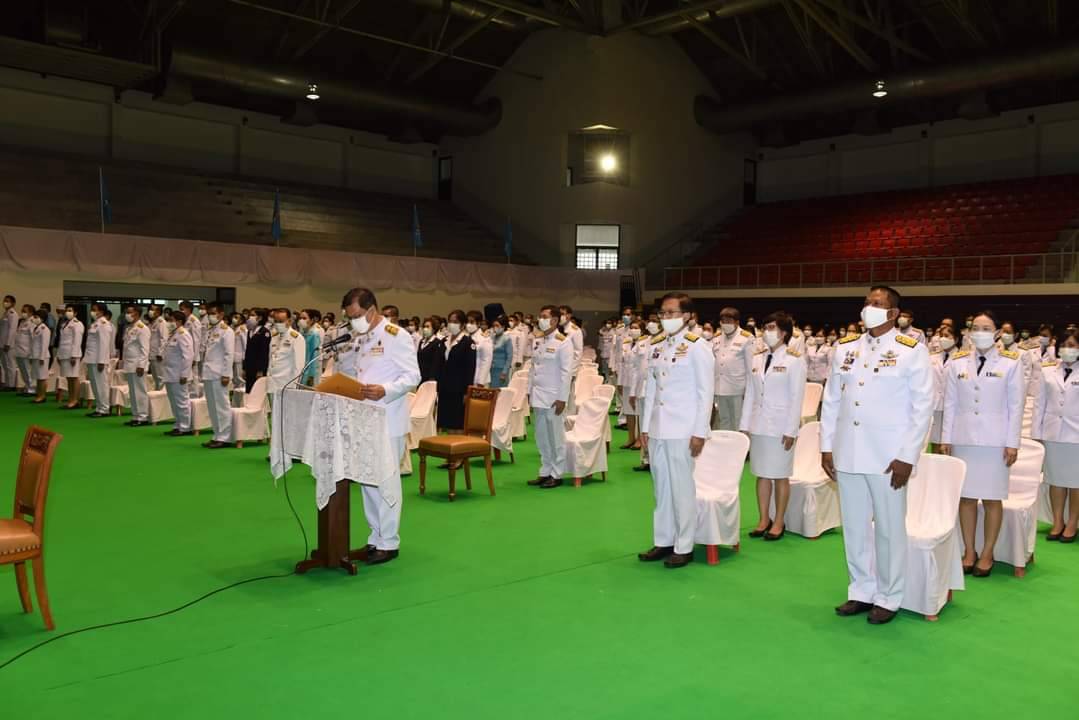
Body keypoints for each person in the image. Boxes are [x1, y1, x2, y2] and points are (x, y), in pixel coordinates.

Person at [820, 285, 933, 624]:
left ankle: (889, 596)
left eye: (878, 303)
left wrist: (908, 456)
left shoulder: (911, 351)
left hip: (888, 457)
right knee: (855, 527)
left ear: (894, 313)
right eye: (867, 302)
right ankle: (861, 590)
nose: (869, 307)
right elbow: (832, 400)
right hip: (849, 450)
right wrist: (827, 446)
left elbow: (922, 407)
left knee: (889, 529)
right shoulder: (845, 348)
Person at [337, 288, 421, 565]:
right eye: (350, 317)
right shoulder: (363, 337)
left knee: (386, 482)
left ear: (372, 310)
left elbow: (413, 376)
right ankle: (376, 537)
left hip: (388, 418)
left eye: (357, 315)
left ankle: (389, 541)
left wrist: (385, 389)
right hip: (365, 419)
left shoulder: (396, 335)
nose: (354, 321)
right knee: (368, 480)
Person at [940, 310, 1024, 577]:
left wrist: (1012, 442)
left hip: (995, 442)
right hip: (963, 439)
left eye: (986, 328)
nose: (980, 332)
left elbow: (1016, 406)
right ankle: (969, 550)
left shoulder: (1011, 363)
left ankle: (987, 552)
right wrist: (946, 438)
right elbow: (950, 404)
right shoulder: (957, 362)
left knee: (991, 499)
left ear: (997, 333)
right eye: (975, 327)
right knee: (965, 498)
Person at [638, 292, 714, 569]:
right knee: (661, 488)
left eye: (671, 313)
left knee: (682, 489)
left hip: (683, 428)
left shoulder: (697, 346)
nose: (666, 317)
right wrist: (645, 427)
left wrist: (700, 431)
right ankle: (664, 540)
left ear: (687, 316)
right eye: (663, 313)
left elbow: (705, 393)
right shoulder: (657, 344)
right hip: (658, 426)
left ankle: (684, 545)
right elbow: (651, 388)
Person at [742, 312, 807, 541]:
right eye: (765, 327)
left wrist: (791, 430)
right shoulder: (757, 357)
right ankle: (763, 519)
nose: (766, 332)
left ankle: (778, 521)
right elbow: (751, 392)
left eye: (771, 327)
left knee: (780, 475)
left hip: (781, 427)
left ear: (784, 332)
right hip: (759, 425)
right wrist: (744, 425)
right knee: (761, 474)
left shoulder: (794, 360)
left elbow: (797, 397)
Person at [1032, 329, 1079, 542]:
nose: (1068, 349)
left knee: (1076, 483)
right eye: (1064, 345)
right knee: (1055, 480)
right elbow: (1039, 404)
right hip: (1052, 434)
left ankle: (1072, 523)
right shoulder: (1048, 370)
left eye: (1073, 345)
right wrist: (1036, 434)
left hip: (1076, 436)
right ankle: (1057, 521)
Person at [527, 305, 573, 489]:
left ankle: (557, 473)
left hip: (554, 397)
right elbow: (533, 368)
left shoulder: (563, 342)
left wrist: (562, 398)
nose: (541, 319)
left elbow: (566, 373)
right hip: (538, 395)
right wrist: (529, 392)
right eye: (540, 316)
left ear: (554, 320)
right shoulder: (538, 340)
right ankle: (545, 470)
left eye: (544, 316)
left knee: (556, 437)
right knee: (541, 437)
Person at [712, 307, 755, 430]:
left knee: (738, 421)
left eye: (729, 321)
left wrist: (749, 390)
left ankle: (739, 442)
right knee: (723, 420)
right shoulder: (717, 338)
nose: (725, 324)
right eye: (723, 321)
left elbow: (751, 367)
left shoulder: (746, 338)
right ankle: (725, 442)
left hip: (738, 388)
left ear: (737, 322)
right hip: (720, 387)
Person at [200, 303, 235, 449]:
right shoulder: (210, 329)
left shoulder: (227, 331)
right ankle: (216, 434)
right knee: (212, 406)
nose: (210, 316)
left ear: (221, 314)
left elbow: (229, 354)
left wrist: (226, 374)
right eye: (209, 313)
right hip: (209, 372)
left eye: (213, 313)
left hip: (220, 374)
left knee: (221, 406)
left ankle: (225, 437)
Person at [437, 310, 476, 432]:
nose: (452, 324)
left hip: (459, 388)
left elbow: (470, 369)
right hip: (444, 387)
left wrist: (466, 391)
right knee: (446, 422)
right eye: (450, 321)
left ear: (463, 324)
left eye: (455, 322)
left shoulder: (468, 343)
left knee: (458, 422)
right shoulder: (444, 341)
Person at [162, 310, 195, 436]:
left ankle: (185, 427)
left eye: (171, 320)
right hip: (170, 373)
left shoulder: (183, 334)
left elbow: (188, 356)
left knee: (182, 401)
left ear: (179, 321)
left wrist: (184, 374)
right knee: (173, 402)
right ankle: (178, 424)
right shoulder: (173, 334)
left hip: (179, 374)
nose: (169, 323)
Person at [927, 325, 960, 450]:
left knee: (949, 443)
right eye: (941, 336)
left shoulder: (962, 358)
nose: (942, 339)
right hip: (935, 406)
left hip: (954, 407)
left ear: (956, 339)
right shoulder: (932, 357)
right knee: (935, 441)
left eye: (946, 336)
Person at [266, 308, 306, 408]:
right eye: (276, 321)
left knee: (285, 413)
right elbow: (271, 359)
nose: (278, 324)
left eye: (281, 321)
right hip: (272, 382)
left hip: (286, 384)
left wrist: (294, 387)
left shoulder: (296, 338)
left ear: (289, 321)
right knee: (274, 413)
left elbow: (299, 366)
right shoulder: (274, 336)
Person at [121, 305, 151, 427]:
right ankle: (135, 415)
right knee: (133, 392)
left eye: (130, 312)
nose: (127, 315)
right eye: (127, 312)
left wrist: (141, 365)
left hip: (138, 365)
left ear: (137, 314)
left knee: (140, 391)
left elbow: (145, 349)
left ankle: (143, 416)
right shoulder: (129, 328)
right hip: (129, 363)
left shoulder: (142, 328)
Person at [84, 302, 115, 418]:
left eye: (94, 309)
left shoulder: (103, 324)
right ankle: (99, 407)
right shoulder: (95, 324)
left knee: (101, 385)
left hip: (98, 360)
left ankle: (105, 409)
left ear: (101, 311)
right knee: (95, 385)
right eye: (92, 309)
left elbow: (104, 344)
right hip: (92, 358)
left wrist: (102, 361)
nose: (92, 311)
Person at [618, 320, 645, 450]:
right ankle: (631, 438)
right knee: (628, 411)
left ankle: (640, 439)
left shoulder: (645, 343)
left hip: (638, 382)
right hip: (627, 381)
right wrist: (620, 382)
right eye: (632, 327)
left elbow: (640, 367)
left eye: (636, 328)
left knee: (639, 411)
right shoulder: (626, 343)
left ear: (642, 330)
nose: (633, 330)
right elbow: (622, 364)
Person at [244, 308, 271, 393]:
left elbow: (264, 353)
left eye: (252, 315)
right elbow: (248, 351)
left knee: (257, 391)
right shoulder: (250, 331)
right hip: (249, 366)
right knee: (248, 390)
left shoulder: (264, 332)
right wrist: (244, 368)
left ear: (260, 318)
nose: (250, 317)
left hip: (258, 368)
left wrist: (260, 370)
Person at [29, 309, 51, 403]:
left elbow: (44, 344)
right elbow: (33, 344)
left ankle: (42, 396)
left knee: (42, 377)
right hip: (35, 355)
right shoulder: (36, 328)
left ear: (42, 318)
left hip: (42, 356)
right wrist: (31, 356)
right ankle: (39, 394)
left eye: (36, 317)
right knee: (38, 377)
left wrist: (42, 357)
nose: (34, 319)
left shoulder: (44, 329)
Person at [14, 304, 35, 395]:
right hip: (19, 350)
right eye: (22, 311)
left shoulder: (32, 322)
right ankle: (27, 386)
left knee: (28, 370)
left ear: (31, 312)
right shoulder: (22, 322)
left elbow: (33, 338)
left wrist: (32, 353)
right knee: (23, 371)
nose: (23, 313)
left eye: (25, 311)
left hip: (27, 351)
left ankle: (32, 388)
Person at [416, 317, 445, 385]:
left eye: (428, 326)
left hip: (430, 378)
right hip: (420, 375)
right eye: (424, 326)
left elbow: (436, 363)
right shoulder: (421, 341)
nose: (425, 328)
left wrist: (432, 378)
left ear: (434, 329)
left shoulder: (437, 343)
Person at [299, 308, 323, 386]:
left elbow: (314, 356)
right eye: (300, 318)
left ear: (312, 320)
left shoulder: (314, 334)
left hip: (309, 370)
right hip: (301, 367)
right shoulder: (302, 332)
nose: (301, 320)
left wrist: (311, 375)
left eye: (304, 318)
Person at [489, 315, 513, 388]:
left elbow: (509, 357)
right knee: (492, 390)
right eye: (494, 326)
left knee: (500, 391)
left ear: (503, 327)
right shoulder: (492, 337)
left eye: (497, 325)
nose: (495, 327)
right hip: (492, 368)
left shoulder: (506, 339)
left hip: (501, 369)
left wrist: (504, 372)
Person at [558, 304, 584, 374]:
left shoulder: (575, 330)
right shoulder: (555, 328)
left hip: (568, 368)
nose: (560, 316)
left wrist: (572, 372)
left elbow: (578, 352)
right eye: (559, 314)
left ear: (569, 315)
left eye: (562, 314)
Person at [148, 305, 168, 389]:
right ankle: (157, 392)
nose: (150, 311)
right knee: (155, 376)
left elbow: (164, 338)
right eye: (150, 309)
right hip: (152, 353)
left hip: (158, 354)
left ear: (158, 312)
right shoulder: (153, 322)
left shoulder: (161, 322)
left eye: (153, 310)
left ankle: (162, 393)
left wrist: (160, 353)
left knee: (160, 377)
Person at [231, 312, 247, 386]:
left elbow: (245, 343)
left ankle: (243, 388)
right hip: (233, 356)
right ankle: (236, 389)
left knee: (239, 376)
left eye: (236, 318)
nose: (234, 319)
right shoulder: (233, 328)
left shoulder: (242, 329)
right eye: (234, 317)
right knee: (234, 376)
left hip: (239, 356)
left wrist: (245, 357)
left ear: (241, 320)